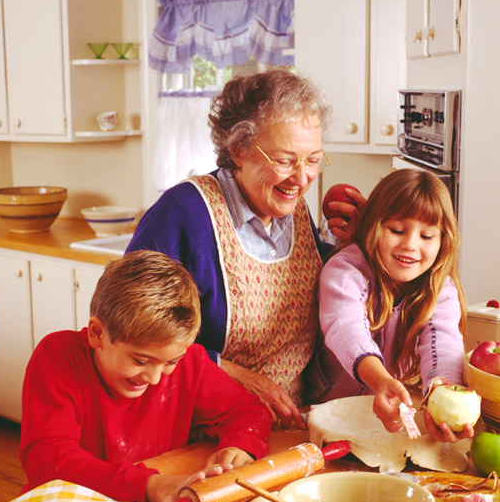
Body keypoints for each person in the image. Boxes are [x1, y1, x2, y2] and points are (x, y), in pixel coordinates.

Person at [2, 250, 273, 502]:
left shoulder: (189, 364)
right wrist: (151, 485)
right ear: (97, 333)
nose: (158, 378)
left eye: (170, 363)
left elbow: (248, 409)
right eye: (141, 360)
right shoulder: (57, 357)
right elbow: (48, 462)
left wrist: (239, 448)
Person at [126, 69, 365, 427]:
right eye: (285, 160)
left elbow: (317, 293)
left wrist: (354, 245)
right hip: (202, 427)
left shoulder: (292, 206)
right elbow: (132, 332)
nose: (301, 179)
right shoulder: (184, 212)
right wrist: (232, 374)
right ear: (238, 150)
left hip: (289, 422)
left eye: (313, 160)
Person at [316, 169, 471, 443]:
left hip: (386, 422)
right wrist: (380, 381)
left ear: (443, 240)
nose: (410, 244)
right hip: (327, 415)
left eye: (426, 236)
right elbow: (346, 327)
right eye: (397, 230)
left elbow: (444, 343)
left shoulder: (439, 288)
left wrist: (443, 396)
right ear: (374, 225)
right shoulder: (345, 270)